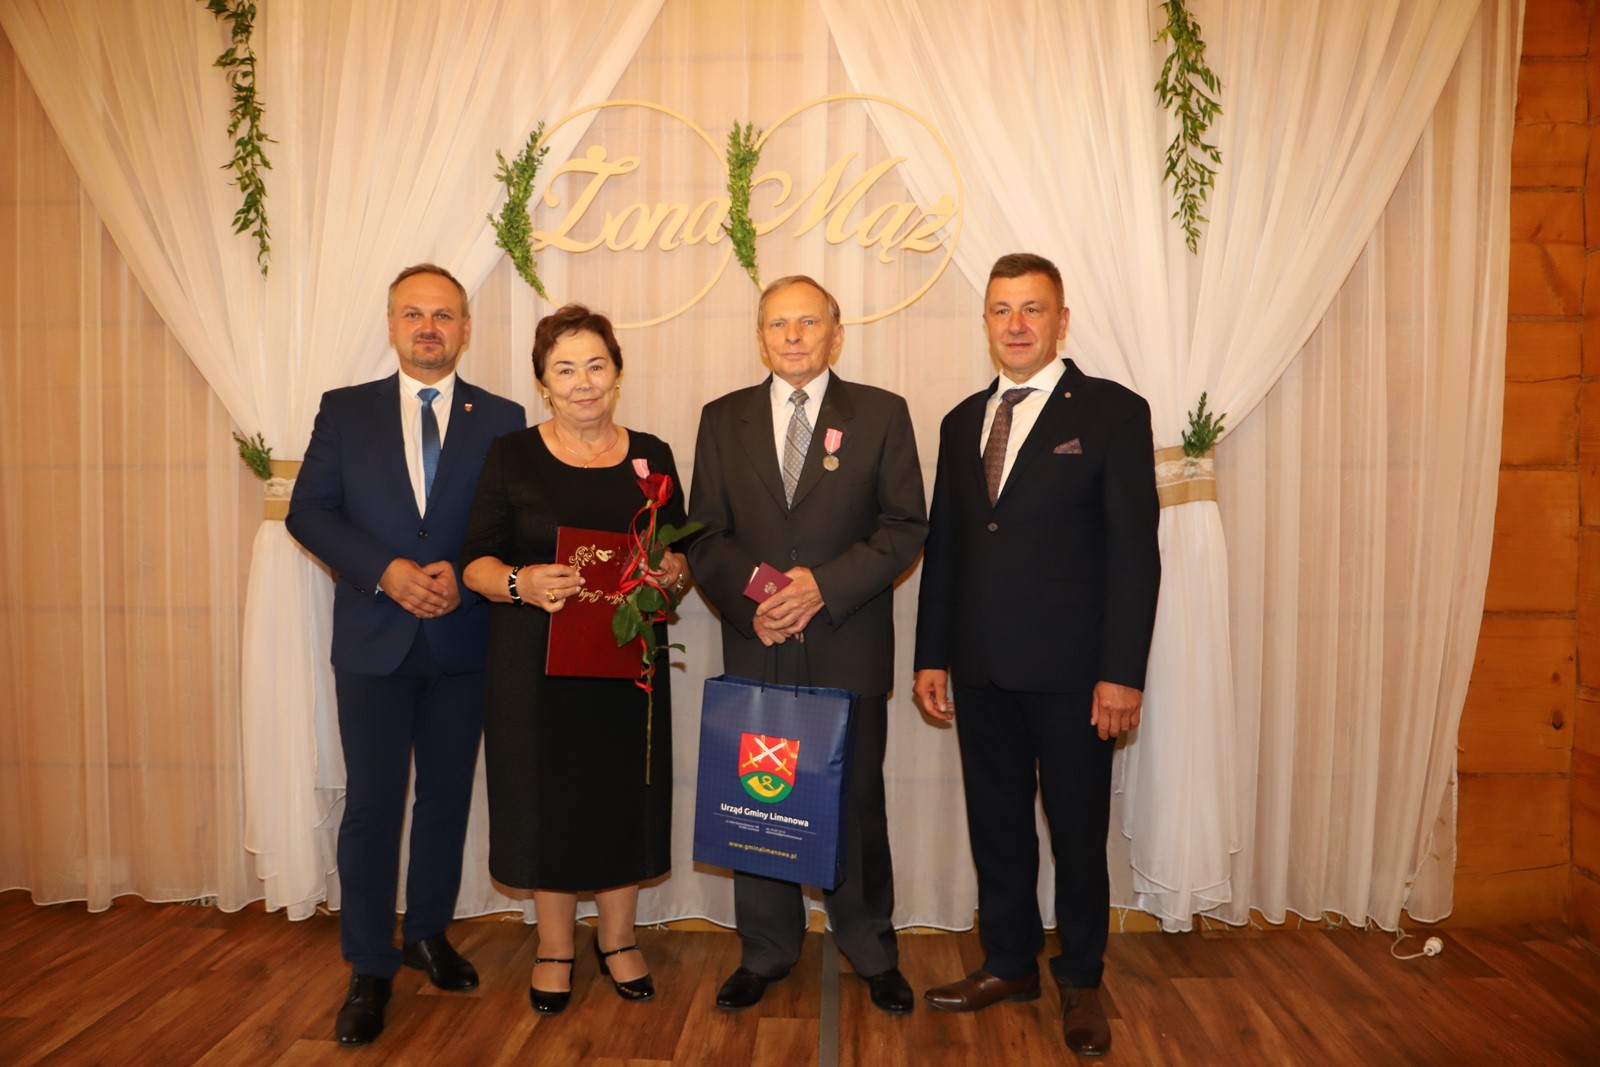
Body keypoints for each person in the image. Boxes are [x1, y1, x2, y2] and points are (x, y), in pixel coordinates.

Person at [912, 253, 1160, 1057]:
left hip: (1077, 676)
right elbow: (948, 548)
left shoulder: (1114, 413)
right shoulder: (961, 421)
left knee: (1079, 834)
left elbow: (1135, 556)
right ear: (986, 321)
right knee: (997, 825)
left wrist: (1121, 672)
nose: (1015, 324)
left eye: (1032, 309)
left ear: (1061, 320)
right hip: (981, 670)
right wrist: (931, 654)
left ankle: (1081, 979)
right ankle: (1009, 962)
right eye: (1001, 309)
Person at [287, 264, 526, 1047]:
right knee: (372, 804)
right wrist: (384, 570)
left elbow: (514, 521)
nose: (429, 327)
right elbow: (309, 512)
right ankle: (369, 963)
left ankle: (426, 931)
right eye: (414, 314)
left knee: (447, 798)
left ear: (466, 329)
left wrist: (462, 570)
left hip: (463, 636)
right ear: (391, 325)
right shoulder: (345, 410)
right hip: (373, 638)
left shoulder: (503, 417)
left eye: (444, 315)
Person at [687, 275, 927, 1016]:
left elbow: (904, 527)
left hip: (846, 641)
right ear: (760, 338)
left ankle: (871, 947)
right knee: (758, 799)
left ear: (836, 334)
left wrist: (821, 585)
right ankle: (764, 949)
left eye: (808, 323)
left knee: (855, 803)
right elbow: (705, 534)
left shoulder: (882, 414)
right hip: (758, 640)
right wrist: (755, 605)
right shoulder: (721, 418)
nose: (792, 336)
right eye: (777, 324)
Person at [460, 304, 690, 1016]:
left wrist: (672, 572)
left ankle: (618, 940)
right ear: (543, 382)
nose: (583, 382)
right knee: (545, 796)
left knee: (623, 793)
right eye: (565, 369)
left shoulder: (652, 454)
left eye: (596, 365)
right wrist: (520, 582)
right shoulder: (511, 454)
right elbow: (474, 561)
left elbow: (678, 554)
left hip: (625, 661)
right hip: (532, 664)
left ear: (617, 373)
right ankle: (554, 946)